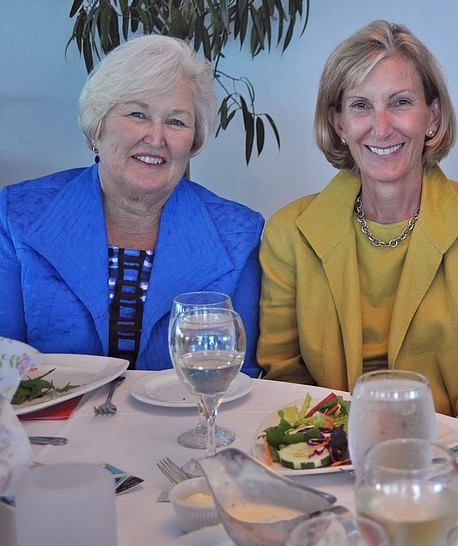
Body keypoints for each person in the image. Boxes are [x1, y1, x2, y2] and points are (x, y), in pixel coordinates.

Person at [258, 20, 458, 438]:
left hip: (455, 466)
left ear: (433, 116)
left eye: (401, 103)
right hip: (326, 460)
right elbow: (283, 381)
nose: (382, 126)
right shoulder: (288, 232)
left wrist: (419, 465)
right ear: (338, 123)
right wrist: (336, 455)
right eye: (361, 106)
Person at [0, 35, 263, 376]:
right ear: (98, 126)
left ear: (193, 140)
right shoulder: (17, 216)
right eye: (138, 114)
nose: (156, 138)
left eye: (176, 121)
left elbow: (242, 379)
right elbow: (4, 371)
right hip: (51, 428)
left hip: (183, 427)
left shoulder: (240, 234)